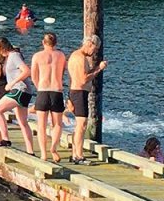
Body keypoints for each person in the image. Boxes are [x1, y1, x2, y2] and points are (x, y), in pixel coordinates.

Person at [68, 34, 108, 165]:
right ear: (90, 44)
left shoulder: (78, 56)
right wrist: (99, 70)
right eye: (94, 49)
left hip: (77, 92)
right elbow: (83, 79)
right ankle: (78, 155)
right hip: (79, 92)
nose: (94, 52)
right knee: (81, 125)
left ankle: (75, 153)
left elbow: (84, 74)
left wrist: (95, 68)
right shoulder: (79, 58)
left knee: (79, 125)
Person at [0, 37, 34, 155]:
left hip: (20, 89)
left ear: (2, 47)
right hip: (25, 91)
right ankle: (30, 151)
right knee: (23, 122)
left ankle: (5, 139)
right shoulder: (10, 57)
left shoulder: (14, 55)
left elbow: (26, 71)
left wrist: (12, 83)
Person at [31, 32, 66, 163]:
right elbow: (62, 73)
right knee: (57, 124)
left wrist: (39, 86)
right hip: (57, 91)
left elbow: (34, 76)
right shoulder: (61, 55)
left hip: (43, 91)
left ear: (43, 42)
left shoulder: (37, 56)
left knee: (41, 125)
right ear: (56, 43)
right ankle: (53, 148)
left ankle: (44, 154)